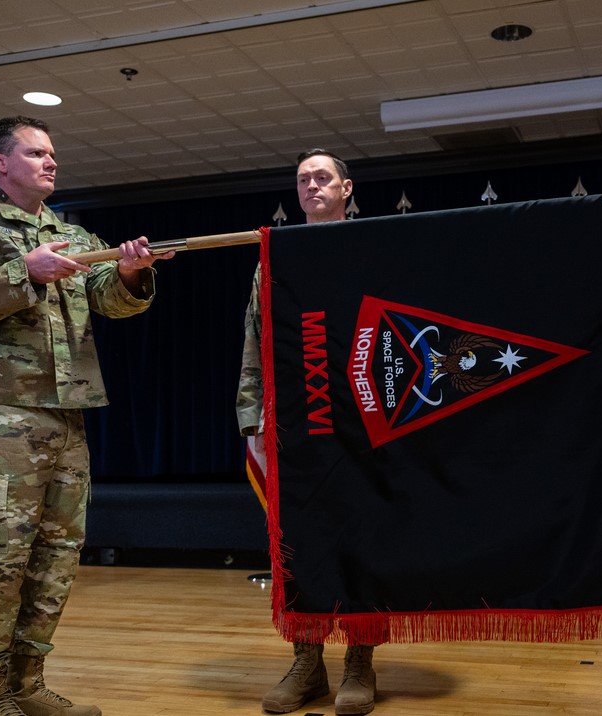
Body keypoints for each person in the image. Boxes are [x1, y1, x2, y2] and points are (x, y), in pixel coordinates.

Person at [0, 115, 174, 716]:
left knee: (53, 560)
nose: (51, 162)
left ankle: (29, 683)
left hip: (65, 419)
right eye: (36, 153)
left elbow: (110, 300)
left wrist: (133, 274)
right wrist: (21, 273)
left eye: (53, 153)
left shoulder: (74, 234)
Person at [237, 149, 379, 716]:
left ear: (346, 188)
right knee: (298, 542)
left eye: (323, 178)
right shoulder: (277, 256)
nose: (311, 186)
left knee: (363, 540)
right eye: (302, 180)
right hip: (294, 421)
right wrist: (252, 415)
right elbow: (254, 336)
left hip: (361, 420)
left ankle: (360, 663)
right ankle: (307, 662)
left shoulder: (372, 248)